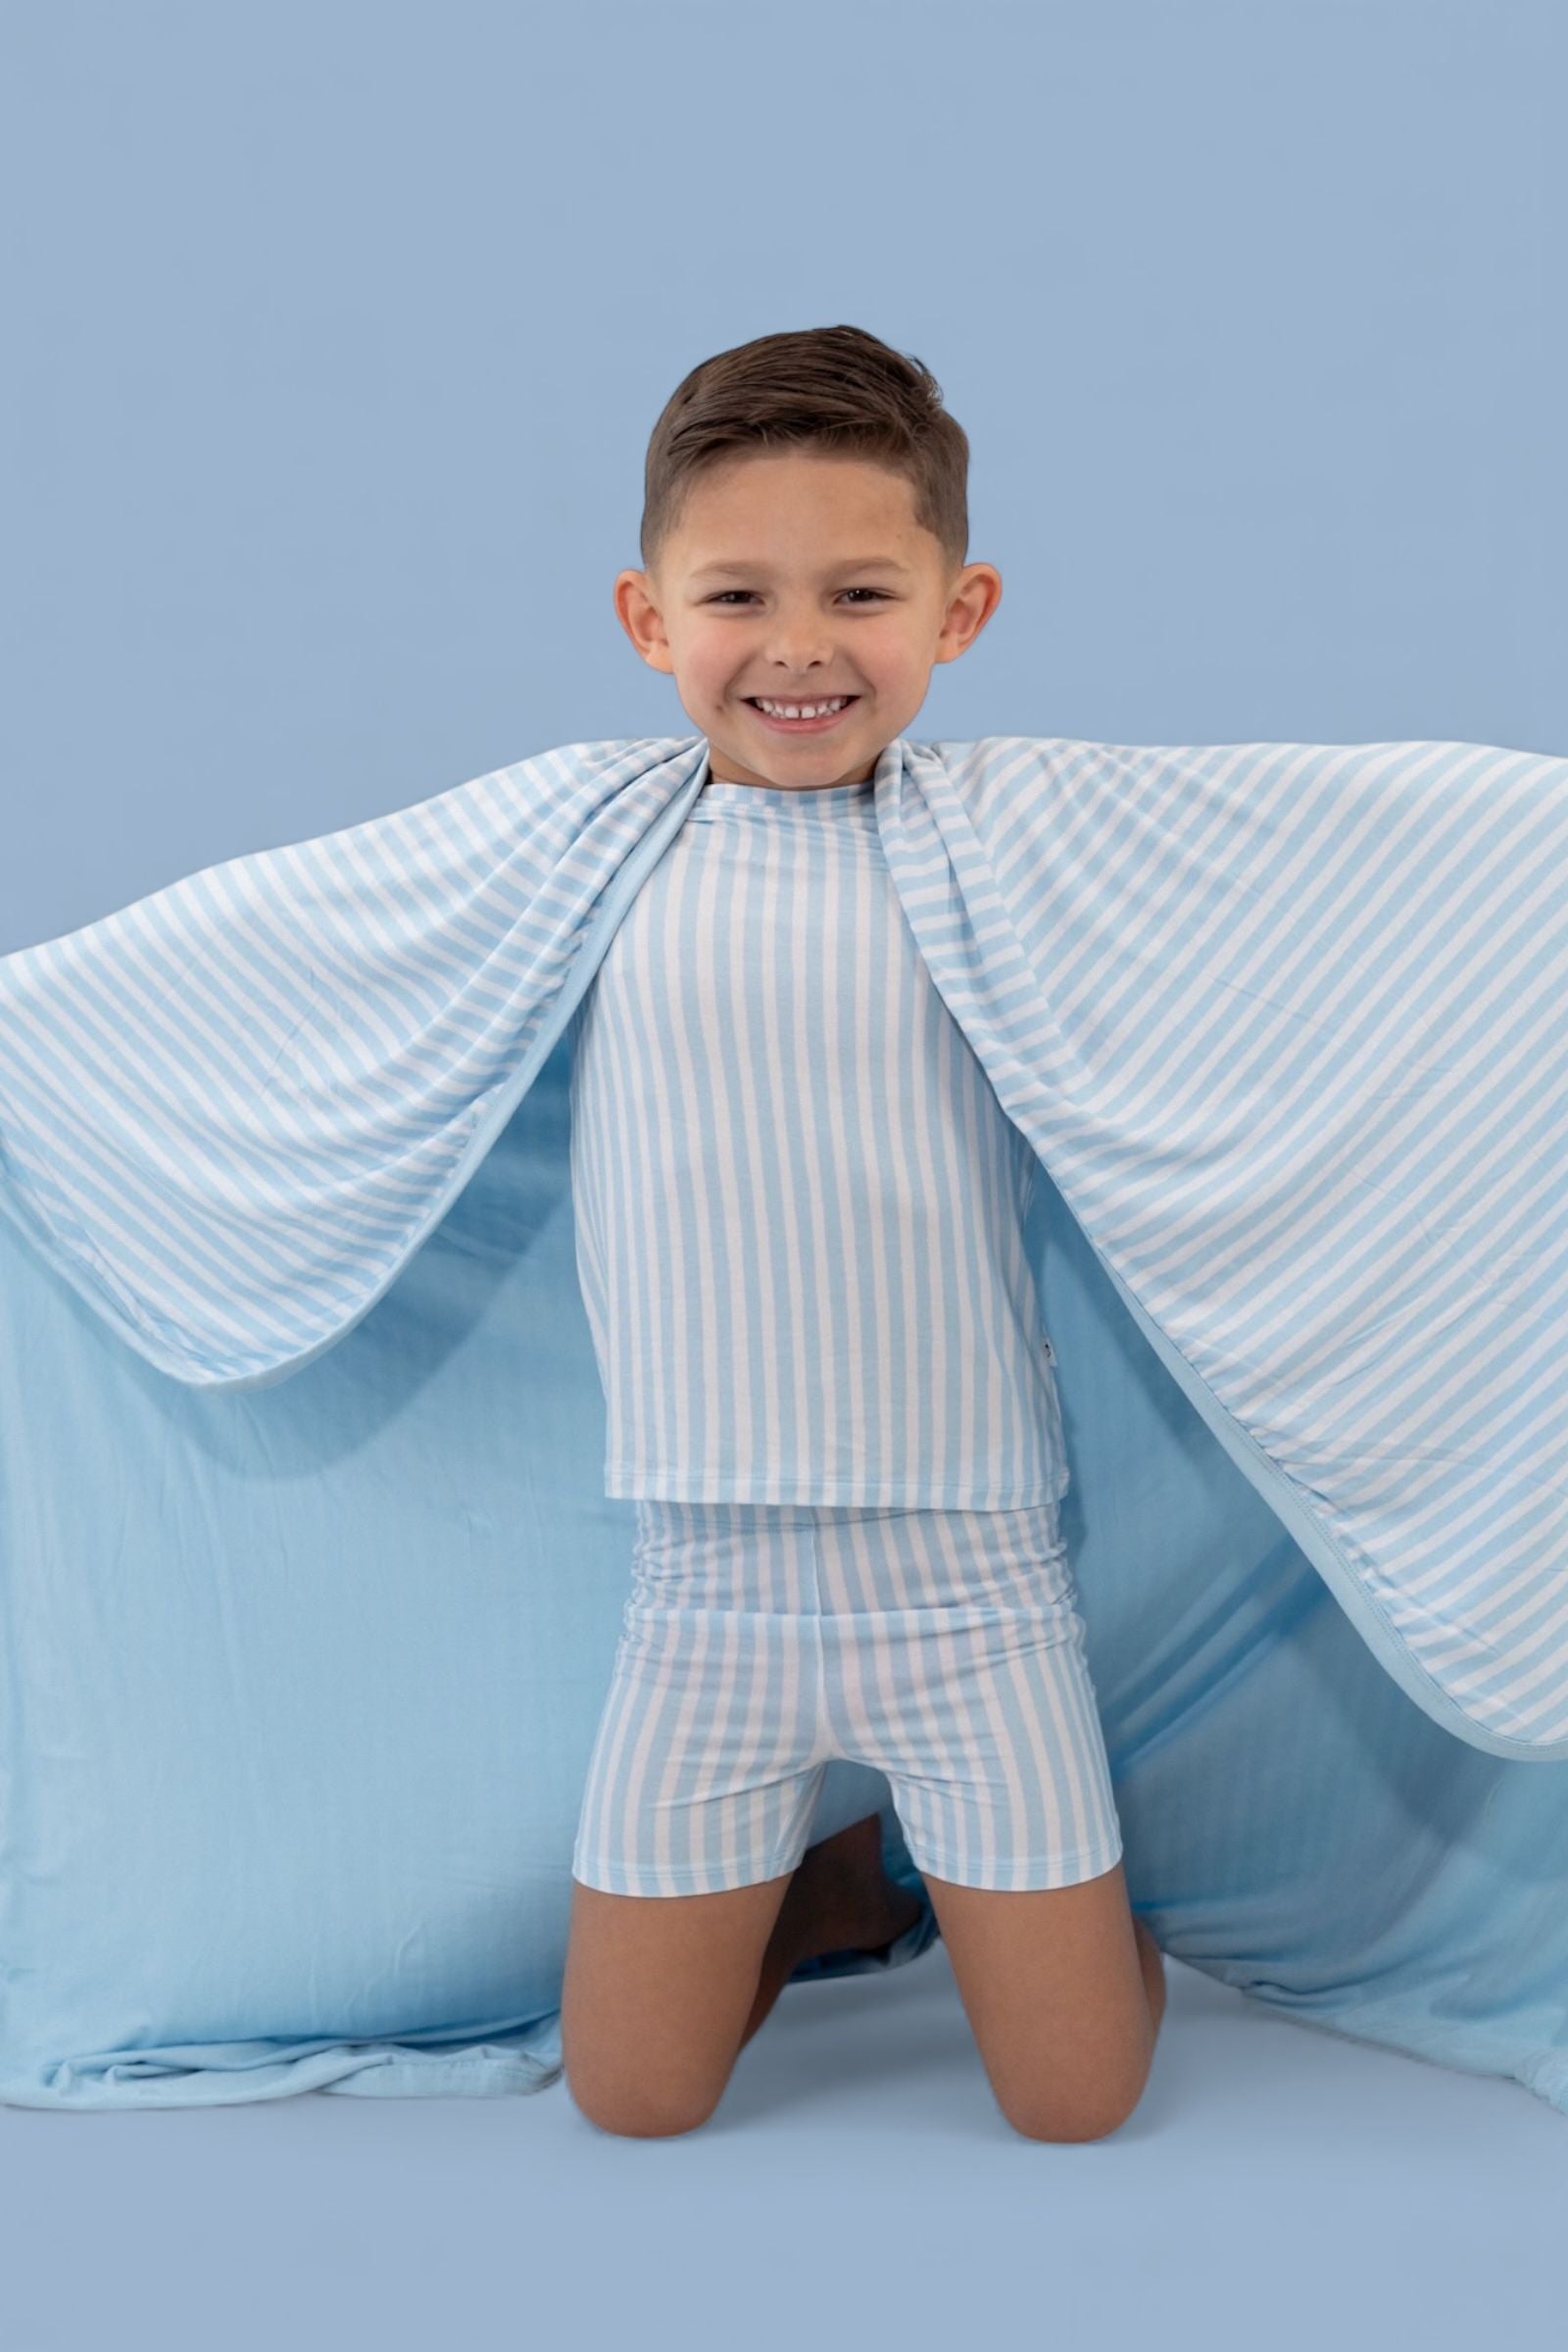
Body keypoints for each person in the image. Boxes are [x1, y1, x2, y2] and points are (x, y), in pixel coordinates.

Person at [559, 323, 1166, 2144]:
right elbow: (277, 957)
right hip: (706, 1590)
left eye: (863, 592)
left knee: (1074, 2106)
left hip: (971, 1584)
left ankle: (1053, 1904)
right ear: (649, 618)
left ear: (959, 612)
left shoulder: (1011, 840)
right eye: (738, 594)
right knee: (633, 2102)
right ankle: (835, 1887)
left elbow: (1317, 865)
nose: (801, 644)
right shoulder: (582, 843)